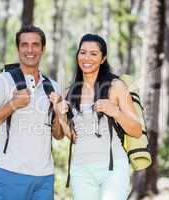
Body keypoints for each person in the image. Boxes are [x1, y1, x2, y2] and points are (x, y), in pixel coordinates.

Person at [0, 25, 64, 200]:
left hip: (44, 177)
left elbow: (59, 135)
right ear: (18, 49)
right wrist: (12, 104)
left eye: (35, 44)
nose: (30, 50)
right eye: (24, 45)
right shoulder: (2, 81)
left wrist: (57, 113)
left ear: (43, 49)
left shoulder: (53, 87)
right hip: (10, 173)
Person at [53, 34, 142, 200]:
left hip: (113, 167)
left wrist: (115, 111)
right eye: (83, 52)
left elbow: (136, 130)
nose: (87, 58)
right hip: (80, 170)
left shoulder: (116, 87)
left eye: (94, 54)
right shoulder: (70, 92)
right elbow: (75, 138)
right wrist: (60, 116)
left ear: (103, 59)